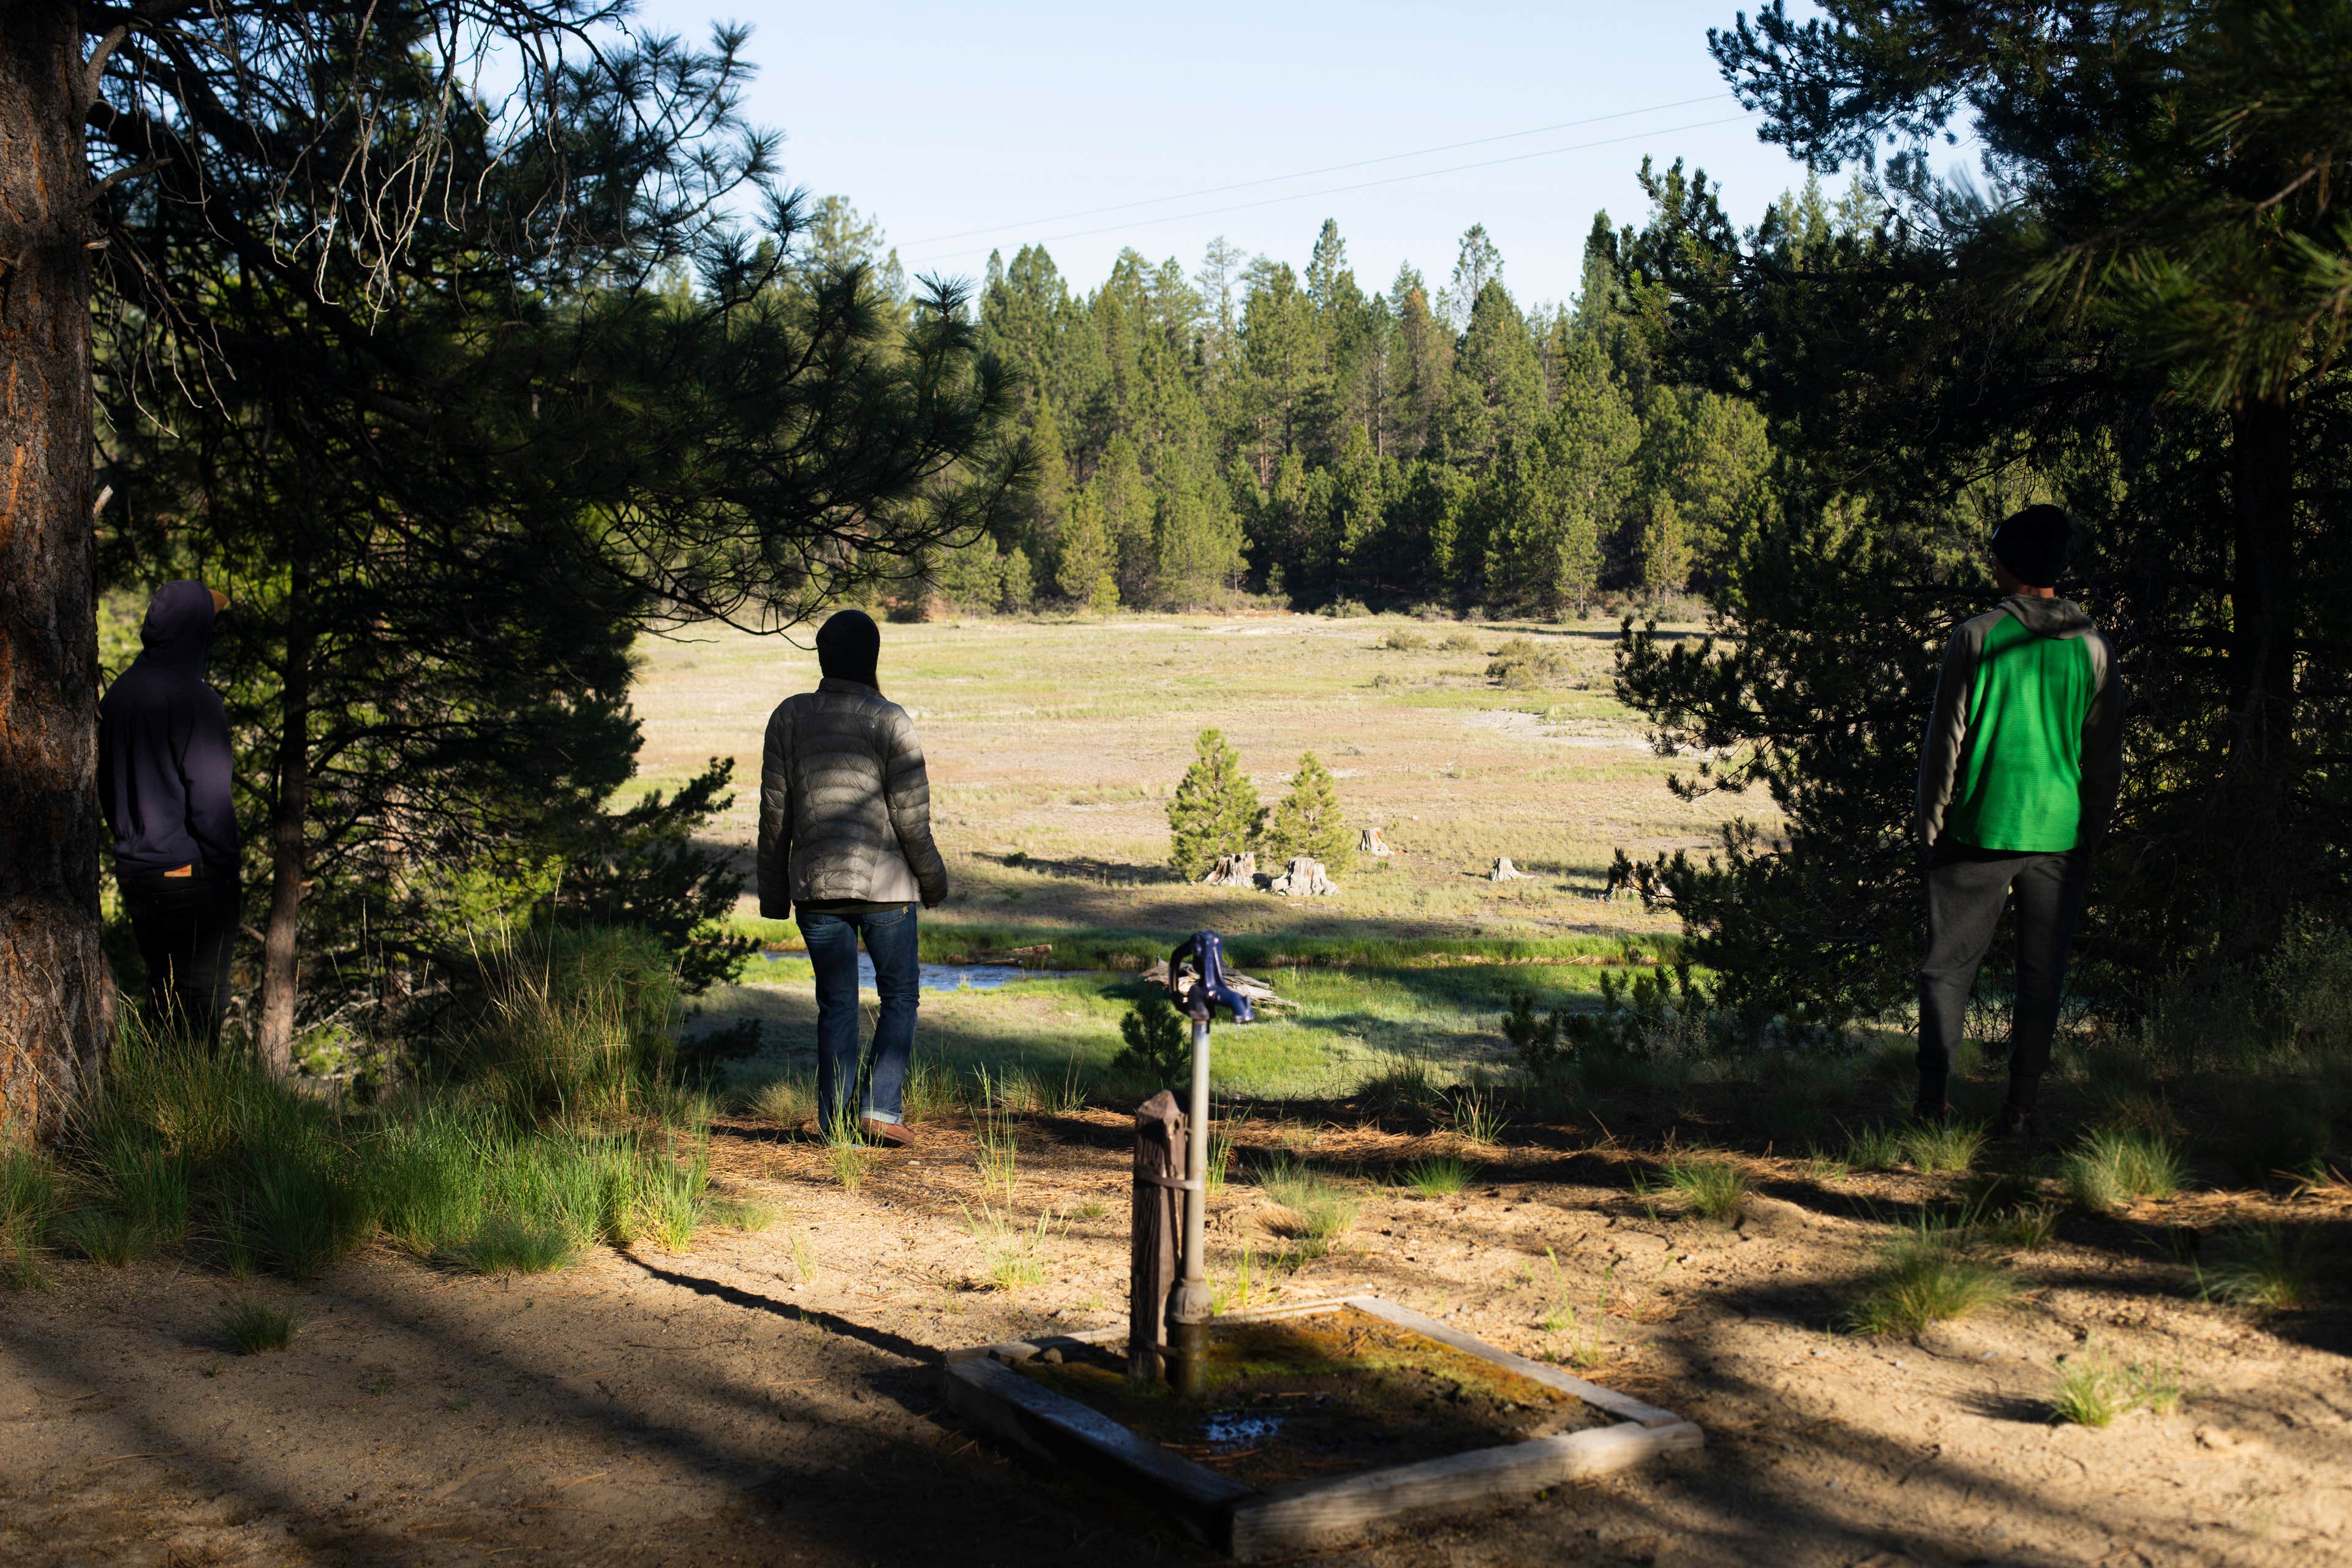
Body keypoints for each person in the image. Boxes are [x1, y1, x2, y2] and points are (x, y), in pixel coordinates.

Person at [1915, 505, 2125, 1138]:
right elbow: (2103, 756)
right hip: (2059, 835)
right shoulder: (2094, 648)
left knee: (1947, 969)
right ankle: (2021, 1110)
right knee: (2041, 976)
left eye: (1996, 554)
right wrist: (2092, 830)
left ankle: (1933, 1105)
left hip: (1980, 828)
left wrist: (1930, 821)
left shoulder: (1976, 636)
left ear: (2008, 564)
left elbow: (1945, 742)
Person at [757, 610, 949, 1146]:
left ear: (823, 657)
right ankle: (879, 1110)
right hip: (885, 891)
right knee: (900, 997)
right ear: (873, 657)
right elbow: (912, 820)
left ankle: (835, 1124)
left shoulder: (788, 717)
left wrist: (774, 895)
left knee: (836, 1005)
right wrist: (933, 881)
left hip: (815, 892)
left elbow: (775, 817)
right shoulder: (890, 719)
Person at [98, 581, 242, 1042]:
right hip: (190, 877)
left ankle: (156, 1087)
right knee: (199, 1006)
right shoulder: (197, 701)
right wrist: (227, 869)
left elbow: (107, 788)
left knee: (163, 995)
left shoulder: (118, 696)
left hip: (136, 875)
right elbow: (211, 806)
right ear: (196, 631)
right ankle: (188, 1094)